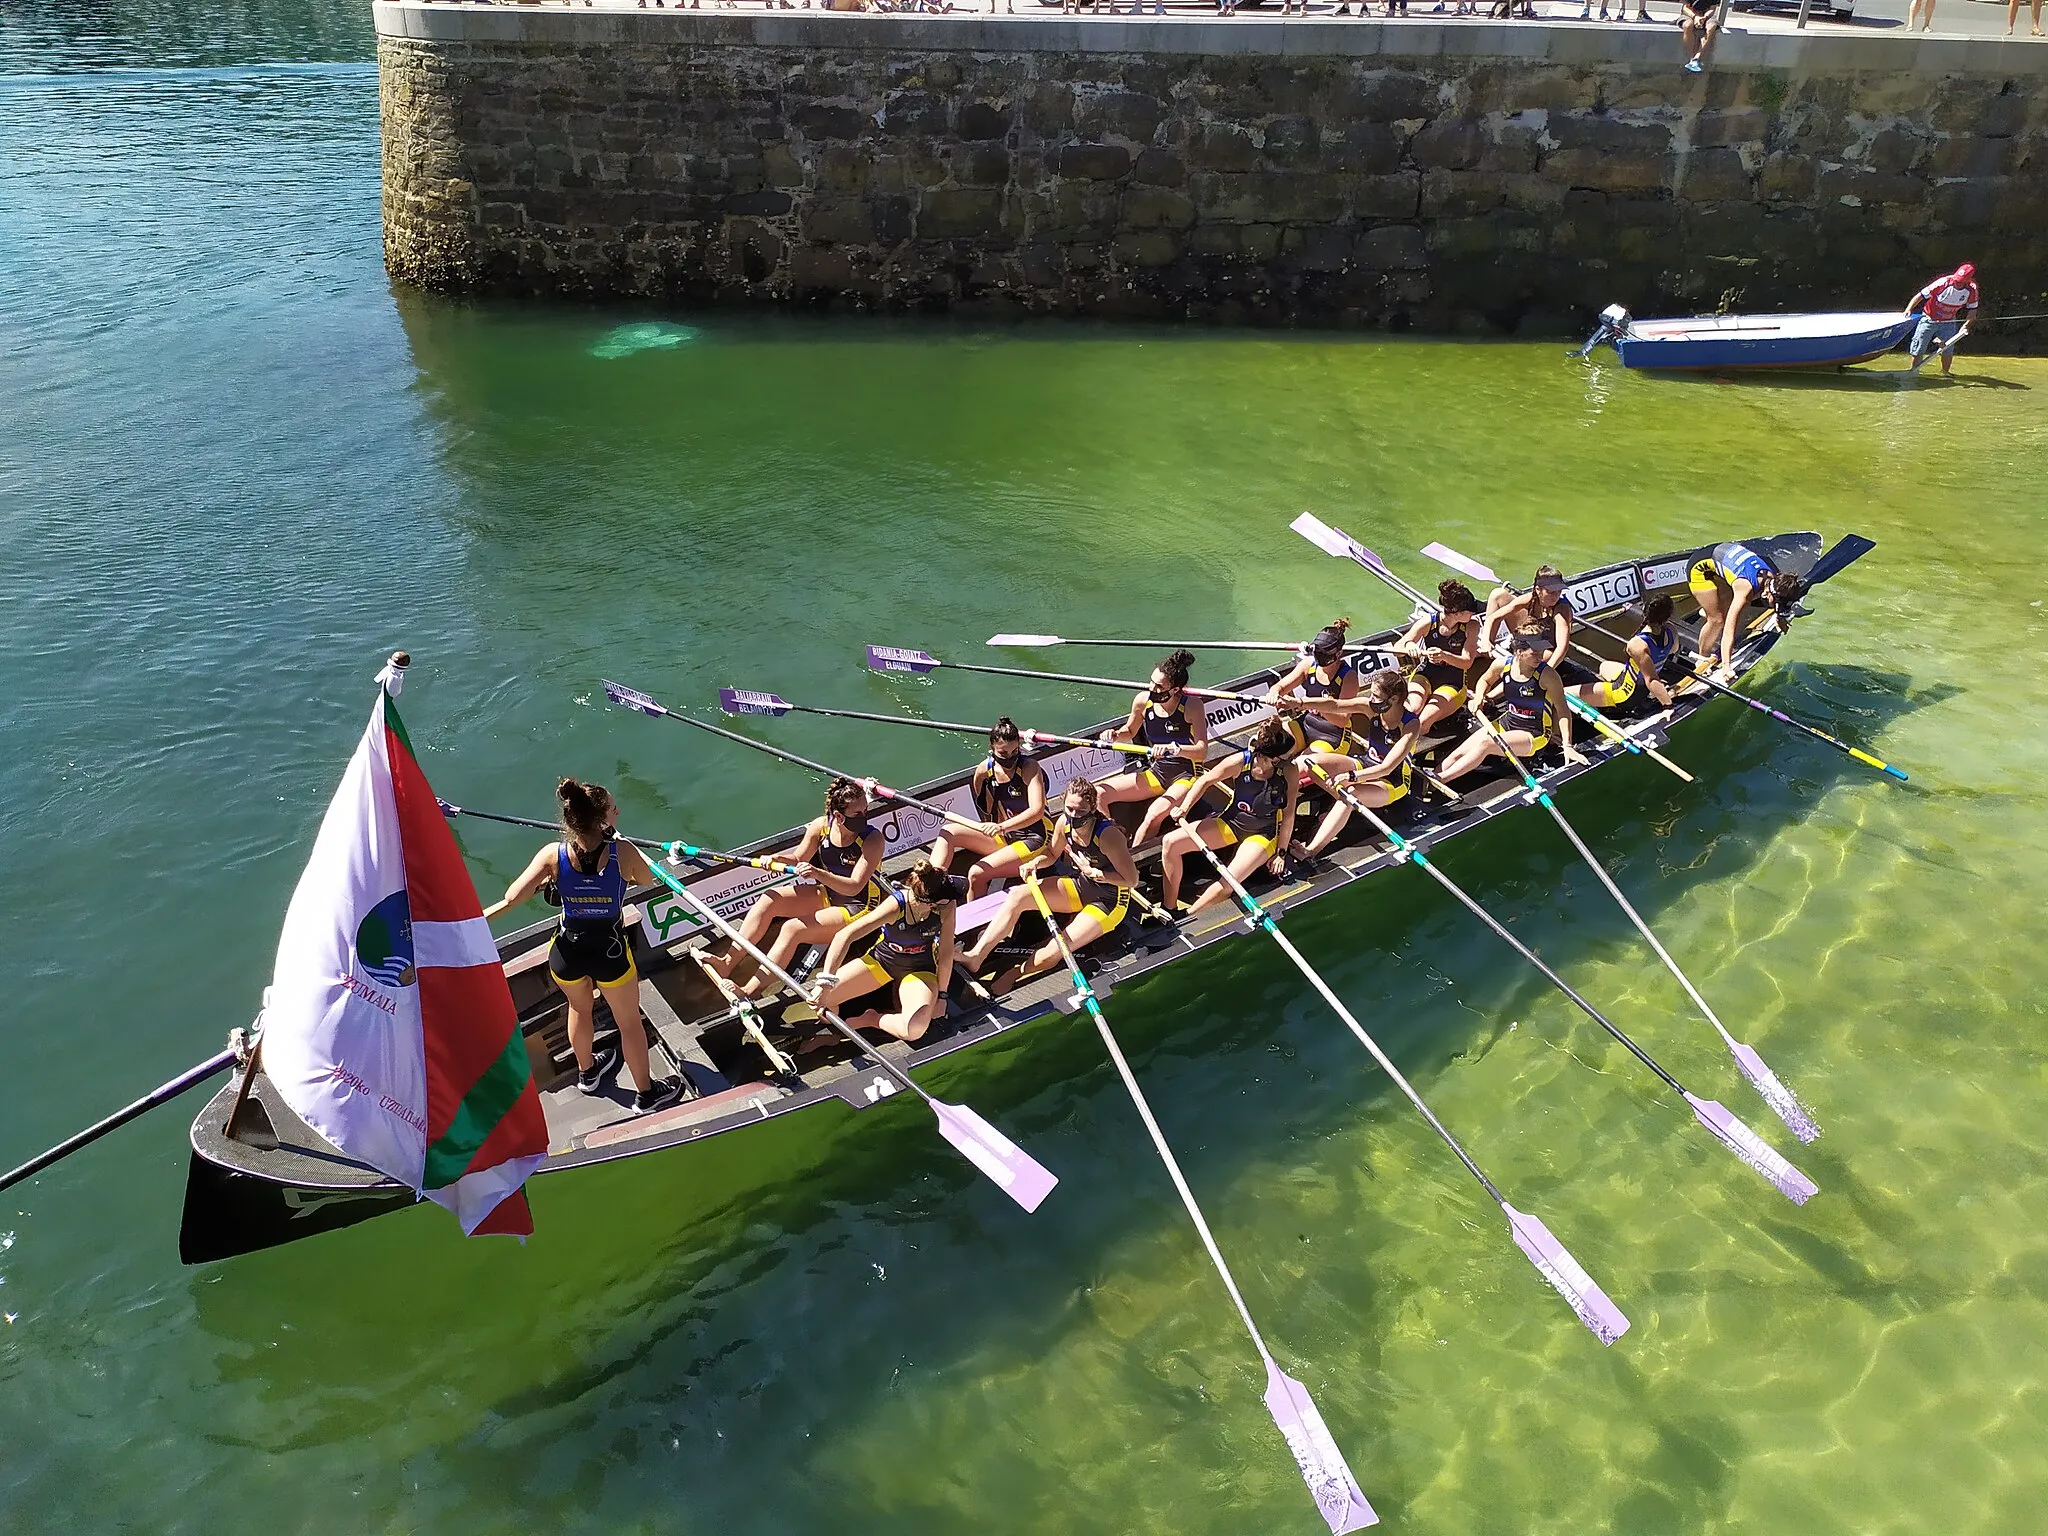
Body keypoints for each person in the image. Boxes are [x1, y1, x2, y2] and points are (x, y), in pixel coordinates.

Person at [483, 778, 685, 1113]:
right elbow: (645, 880)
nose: (619, 812)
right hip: (610, 953)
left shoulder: (552, 854)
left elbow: (511, 898)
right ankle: (646, 1094)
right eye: (615, 809)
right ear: (603, 819)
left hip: (567, 953)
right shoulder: (624, 852)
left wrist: (548, 882)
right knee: (629, 1022)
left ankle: (587, 1073)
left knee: (579, 1008)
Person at [703, 776, 884, 999]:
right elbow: (799, 857)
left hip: (862, 906)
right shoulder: (821, 827)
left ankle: (750, 991)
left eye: (865, 810)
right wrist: (776, 858)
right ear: (838, 816)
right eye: (857, 814)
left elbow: (854, 887)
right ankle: (727, 962)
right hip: (829, 893)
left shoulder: (872, 839)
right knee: (770, 898)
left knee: (792, 929)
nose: (864, 817)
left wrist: (817, 873)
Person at [958, 777, 1140, 984]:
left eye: (1080, 812)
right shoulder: (1064, 823)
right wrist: (1035, 863)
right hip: (1082, 885)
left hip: (1109, 902)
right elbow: (1052, 854)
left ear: (1092, 808)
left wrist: (1098, 874)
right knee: (1018, 895)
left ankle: (1015, 973)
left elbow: (1131, 880)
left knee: (1053, 950)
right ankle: (976, 956)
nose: (1073, 815)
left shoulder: (1108, 836)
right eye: (1069, 809)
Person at [1160, 720, 1303, 918]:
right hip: (1231, 822)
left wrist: (1281, 853)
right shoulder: (1240, 762)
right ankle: (1169, 908)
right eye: (1286, 757)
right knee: (1170, 842)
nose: (1291, 760)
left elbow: (1288, 814)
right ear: (1271, 758)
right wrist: (1183, 809)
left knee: (1229, 881)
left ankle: (1186, 916)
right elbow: (1204, 781)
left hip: (1263, 834)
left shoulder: (1289, 771)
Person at [810, 860, 959, 1045]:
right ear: (929, 902)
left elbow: (945, 953)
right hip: (883, 962)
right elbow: (845, 935)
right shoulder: (896, 906)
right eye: (946, 898)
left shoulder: (947, 905)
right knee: (819, 999)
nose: (953, 900)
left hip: (921, 968)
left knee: (914, 1029)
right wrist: (826, 982)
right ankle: (837, 1033)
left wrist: (943, 996)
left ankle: (872, 1020)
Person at [1295, 670, 1420, 857]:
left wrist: (1351, 777)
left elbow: (1387, 767)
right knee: (1310, 762)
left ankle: (1310, 851)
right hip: (1366, 764)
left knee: (1349, 795)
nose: (1370, 699)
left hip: (1393, 781)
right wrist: (1300, 703)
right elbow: (1335, 705)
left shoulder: (1411, 725)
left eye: (1376, 696)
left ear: (1393, 699)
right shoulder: (1371, 707)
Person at [1094, 649, 1210, 848]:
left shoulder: (1192, 706)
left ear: (1175, 690)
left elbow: (1202, 750)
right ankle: (1114, 844)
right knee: (1098, 794)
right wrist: (1114, 735)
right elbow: (1129, 731)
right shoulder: (1142, 701)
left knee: (1153, 815)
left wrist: (1175, 749)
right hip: (1157, 772)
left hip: (1187, 774)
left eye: (1158, 686)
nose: (1151, 688)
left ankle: (1132, 861)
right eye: (1151, 682)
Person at [1437, 632, 1589, 783]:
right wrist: (1479, 697)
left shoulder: (1548, 675)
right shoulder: (1502, 665)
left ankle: (1442, 779)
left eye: (1541, 652)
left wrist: (1567, 745)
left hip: (1534, 735)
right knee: (1456, 755)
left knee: (1485, 745)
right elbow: (1484, 680)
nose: (1540, 657)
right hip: (1507, 722)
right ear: (1519, 652)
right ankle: (1432, 778)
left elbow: (1562, 710)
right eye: (1534, 653)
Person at [929, 718, 1052, 899]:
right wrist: (994, 826)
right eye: (1003, 753)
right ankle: (929, 886)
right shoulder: (983, 771)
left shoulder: (1029, 767)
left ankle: (976, 925)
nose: (1010, 757)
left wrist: (1002, 827)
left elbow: (1037, 811)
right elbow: (985, 808)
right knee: (948, 832)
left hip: (1035, 838)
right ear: (992, 748)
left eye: (1014, 751)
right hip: (1006, 837)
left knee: (976, 873)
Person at [1686, 540, 1808, 683]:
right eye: (1775, 603)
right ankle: (1702, 658)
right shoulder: (1746, 588)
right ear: (1767, 593)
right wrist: (1726, 667)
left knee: (1728, 606)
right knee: (1718, 620)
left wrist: (1780, 617)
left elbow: (1778, 601)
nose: (1775, 605)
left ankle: (1709, 608)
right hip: (1699, 567)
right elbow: (1728, 631)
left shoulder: (1774, 577)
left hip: (1722, 555)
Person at [1395, 580, 1483, 737]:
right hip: (1425, 675)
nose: (1473, 614)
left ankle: (1402, 756)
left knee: (1421, 723)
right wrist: (1409, 646)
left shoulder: (1472, 626)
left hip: (1453, 683)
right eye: (1470, 611)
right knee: (1410, 712)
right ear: (1458, 614)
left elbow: (1467, 662)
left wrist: (1444, 655)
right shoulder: (1429, 622)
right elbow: (1398, 649)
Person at [1266, 619, 1363, 762]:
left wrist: (1309, 705)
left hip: (1333, 735)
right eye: (1317, 652)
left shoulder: (1349, 677)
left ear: (1338, 653)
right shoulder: (1307, 666)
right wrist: (1274, 694)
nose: (1319, 657)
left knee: (1302, 763)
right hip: (1306, 723)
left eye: (1324, 653)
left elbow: (1342, 720)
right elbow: (1280, 686)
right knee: (1267, 742)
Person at [1571, 593, 1684, 714]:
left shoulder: (1637, 644)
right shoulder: (1671, 630)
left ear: (1644, 611)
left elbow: (1651, 680)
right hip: (1635, 680)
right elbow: (1673, 649)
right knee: (1604, 666)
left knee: (1565, 693)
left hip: (1625, 694)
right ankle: (1601, 700)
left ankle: (1607, 705)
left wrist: (1668, 706)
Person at [1484, 565, 1576, 677]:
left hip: (1547, 651)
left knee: (1536, 653)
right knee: (1498, 594)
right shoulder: (1530, 599)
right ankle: (1488, 651)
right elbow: (1493, 618)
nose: (1555, 596)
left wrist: (1545, 674)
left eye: (1559, 591)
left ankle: (1517, 665)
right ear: (1538, 590)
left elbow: (1562, 648)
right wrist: (1486, 641)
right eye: (1551, 592)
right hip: (1531, 637)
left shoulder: (1561, 610)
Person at [1907, 263, 1979, 375]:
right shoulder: (1943, 282)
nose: (1957, 282)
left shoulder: (1972, 289)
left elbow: (1973, 310)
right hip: (1929, 318)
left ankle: (1945, 372)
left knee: (1948, 349)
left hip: (1949, 321)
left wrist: (1966, 325)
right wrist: (1909, 309)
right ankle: (1913, 373)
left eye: (1961, 281)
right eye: (1957, 279)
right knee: (1918, 347)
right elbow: (1920, 295)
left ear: (1968, 280)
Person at [1681, 0, 1718, 71]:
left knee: (1712, 27)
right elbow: (1685, 8)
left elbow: (1712, 9)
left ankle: (1697, 57)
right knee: (1688, 25)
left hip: (1707, 15)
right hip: (1690, 14)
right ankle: (1691, 58)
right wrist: (1695, 17)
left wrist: (1705, 17)